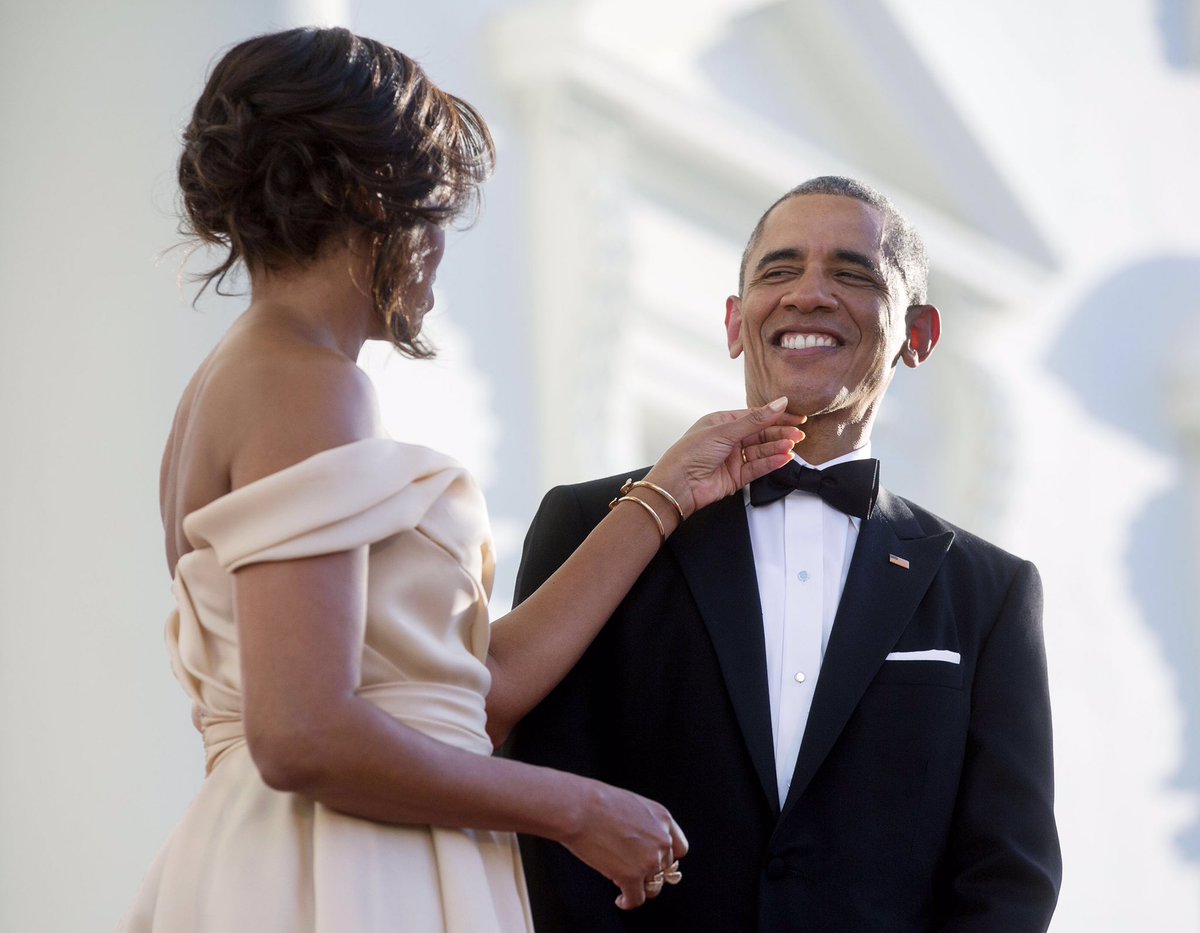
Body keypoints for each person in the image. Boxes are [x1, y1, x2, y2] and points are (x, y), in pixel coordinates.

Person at [118, 26, 806, 933]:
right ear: (376, 199)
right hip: (333, 875)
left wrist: (669, 492)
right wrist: (576, 809)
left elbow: (468, 692)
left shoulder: (257, 376)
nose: (442, 248)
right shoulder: (305, 382)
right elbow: (303, 735)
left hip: (348, 858)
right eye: (437, 211)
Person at [505, 176, 1062, 931]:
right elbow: (540, 796)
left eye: (852, 273)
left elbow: (1008, 876)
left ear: (919, 335)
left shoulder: (990, 591)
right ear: (736, 322)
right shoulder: (589, 523)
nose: (808, 293)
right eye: (779, 270)